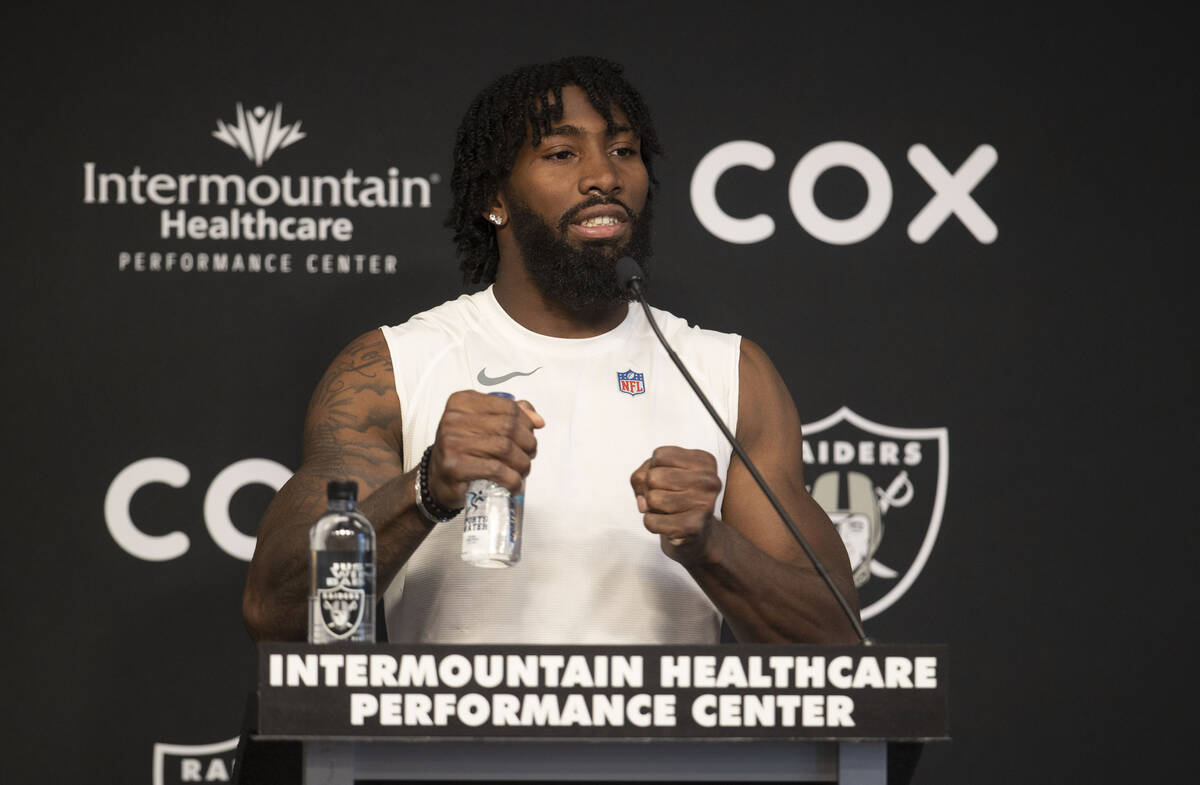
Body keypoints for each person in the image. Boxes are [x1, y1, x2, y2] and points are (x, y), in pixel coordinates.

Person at [242, 56, 859, 645]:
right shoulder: (392, 368)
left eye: (624, 151)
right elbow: (275, 611)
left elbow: (838, 642)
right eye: (562, 153)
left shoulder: (726, 373)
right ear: (495, 199)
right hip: (447, 754)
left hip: (663, 754)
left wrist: (712, 546)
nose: (605, 176)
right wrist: (425, 490)